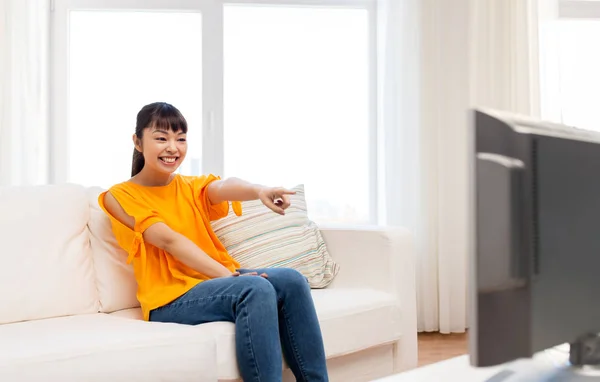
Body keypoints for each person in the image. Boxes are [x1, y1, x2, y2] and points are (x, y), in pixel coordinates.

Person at [98, 102, 329, 382]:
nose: (173, 147)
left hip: (211, 283)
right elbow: (170, 241)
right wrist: (230, 276)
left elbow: (222, 186)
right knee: (254, 288)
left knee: (292, 280)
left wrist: (260, 190)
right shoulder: (119, 195)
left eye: (180, 139)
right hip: (169, 299)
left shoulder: (188, 187)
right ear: (137, 142)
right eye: (161, 138)